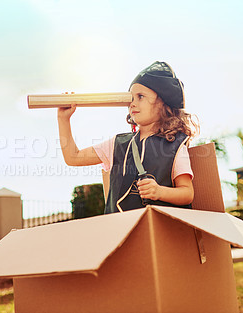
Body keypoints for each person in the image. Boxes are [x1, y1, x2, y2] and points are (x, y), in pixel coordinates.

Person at [57, 61, 199, 214]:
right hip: (121, 231)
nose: (132, 104)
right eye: (131, 98)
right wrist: (63, 120)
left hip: (156, 232)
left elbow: (187, 193)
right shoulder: (116, 144)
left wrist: (159, 191)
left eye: (140, 97)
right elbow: (73, 157)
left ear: (162, 103)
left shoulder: (175, 145)